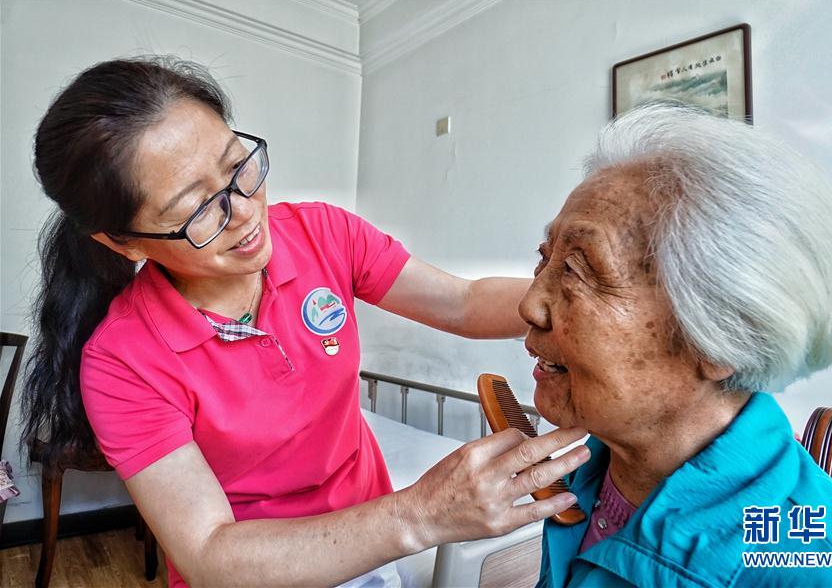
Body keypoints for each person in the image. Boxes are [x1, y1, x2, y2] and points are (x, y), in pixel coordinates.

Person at [21, 56, 589, 587]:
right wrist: (420, 514)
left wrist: (580, 305)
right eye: (196, 210)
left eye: (237, 166)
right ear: (121, 241)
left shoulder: (322, 234)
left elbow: (462, 304)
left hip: (374, 541)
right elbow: (208, 552)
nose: (244, 212)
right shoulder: (123, 360)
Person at [520, 103, 832, 587]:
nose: (529, 304)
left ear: (723, 338)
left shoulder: (823, 569)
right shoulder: (595, 464)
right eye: (545, 259)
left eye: (578, 269)